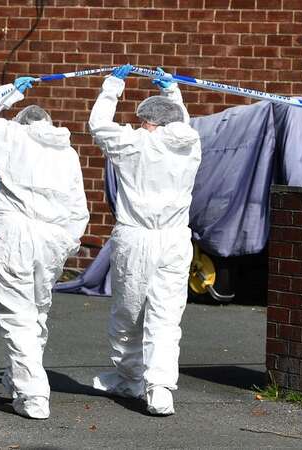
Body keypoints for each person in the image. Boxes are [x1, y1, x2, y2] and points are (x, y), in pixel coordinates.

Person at [0, 77, 89, 419]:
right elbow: (78, 208)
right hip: (52, 239)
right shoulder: (67, 154)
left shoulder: (11, 137)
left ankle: (34, 393)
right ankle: (16, 378)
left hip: (16, 234)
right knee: (35, 312)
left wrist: (9, 91)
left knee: (16, 314)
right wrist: (68, 242)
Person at [88, 64, 201, 416]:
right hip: (175, 240)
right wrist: (172, 91)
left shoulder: (132, 143)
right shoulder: (190, 143)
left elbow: (98, 126)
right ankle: (160, 388)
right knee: (166, 316)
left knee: (129, 313)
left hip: (137, 239)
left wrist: (112, 85)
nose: (139, 124)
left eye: (142, 120)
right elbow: (181, 122)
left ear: (148, 122)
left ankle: (131, 377)